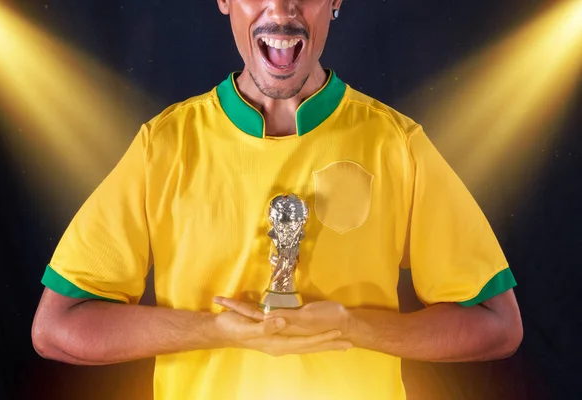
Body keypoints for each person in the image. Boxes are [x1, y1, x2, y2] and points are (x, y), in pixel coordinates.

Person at [31, 1, 523, 399]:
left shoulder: (398, 145)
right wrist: (217, 331)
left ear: (335, 2)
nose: (281, 9)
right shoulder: (163, 147)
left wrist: (352, 328)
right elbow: (57, 328)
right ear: (224, 1)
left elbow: (496, 324)